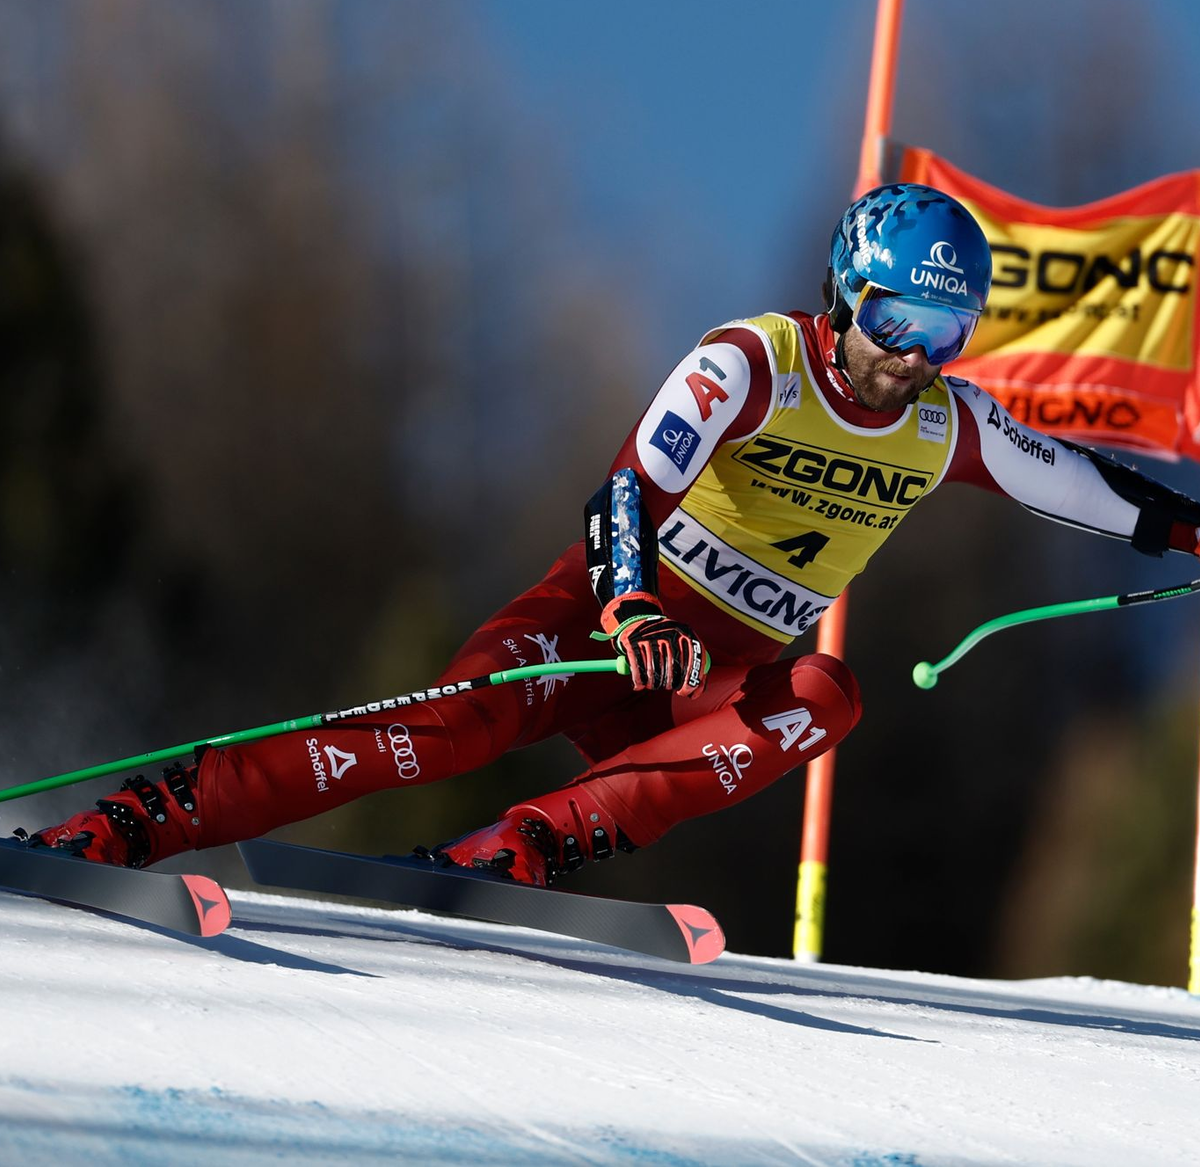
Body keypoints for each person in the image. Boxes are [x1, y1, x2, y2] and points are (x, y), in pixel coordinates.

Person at [23, 183, 1200, 885]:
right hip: (605, 623)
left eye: (944, 335)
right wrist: (631, 606)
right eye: (895, 320)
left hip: (704, 683)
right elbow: (627, 489)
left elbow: (1104, 492)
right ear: (849, 294)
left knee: (826, 695)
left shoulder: (947, 424)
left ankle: (526, 848)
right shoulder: (755, 361)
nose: (911, 357)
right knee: (446, 728)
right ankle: (138, 820)